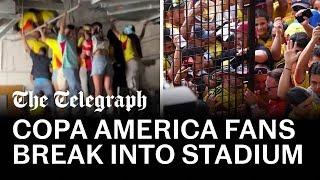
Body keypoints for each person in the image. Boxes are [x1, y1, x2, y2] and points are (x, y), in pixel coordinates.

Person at [21, 31, 55, 115]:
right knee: (50, 101)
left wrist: (23, 38)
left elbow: (28, 49)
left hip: (37, 82)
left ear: (39, 51)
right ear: (45, 53)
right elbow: (51, 70)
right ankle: (54, 115)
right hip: (47, 81)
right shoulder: (48, 59)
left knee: (35, 102)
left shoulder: (35, 57)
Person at [57, 12, 81, 113]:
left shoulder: (72, 40)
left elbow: (74, 32)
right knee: (75, 88)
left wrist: (75, 29)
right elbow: (62, 28)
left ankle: (68, 110)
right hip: (68, 67)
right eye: (69, 30)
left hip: (74, 67)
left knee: (74, 88)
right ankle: (76, 111)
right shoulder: (63, 40)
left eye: (71, 31)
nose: (71, 32)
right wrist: (64, 16)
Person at [111, 19, 140, 92]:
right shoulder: (135, 39)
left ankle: (135, 100)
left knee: (131, 81)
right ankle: (136, 98)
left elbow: (115, 32)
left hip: (130, 62)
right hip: (136, 61)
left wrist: (112, 23)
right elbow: (141, 35)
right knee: (135, 81)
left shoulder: (126, 38)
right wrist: (144, 27)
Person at [91, 22, 113, 99]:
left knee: (103, 89)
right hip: (103, 60)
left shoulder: (100, 38)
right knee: (103, 89)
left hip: (103, 60)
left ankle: (105, 109)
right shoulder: (103, 38)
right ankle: (105, 110)